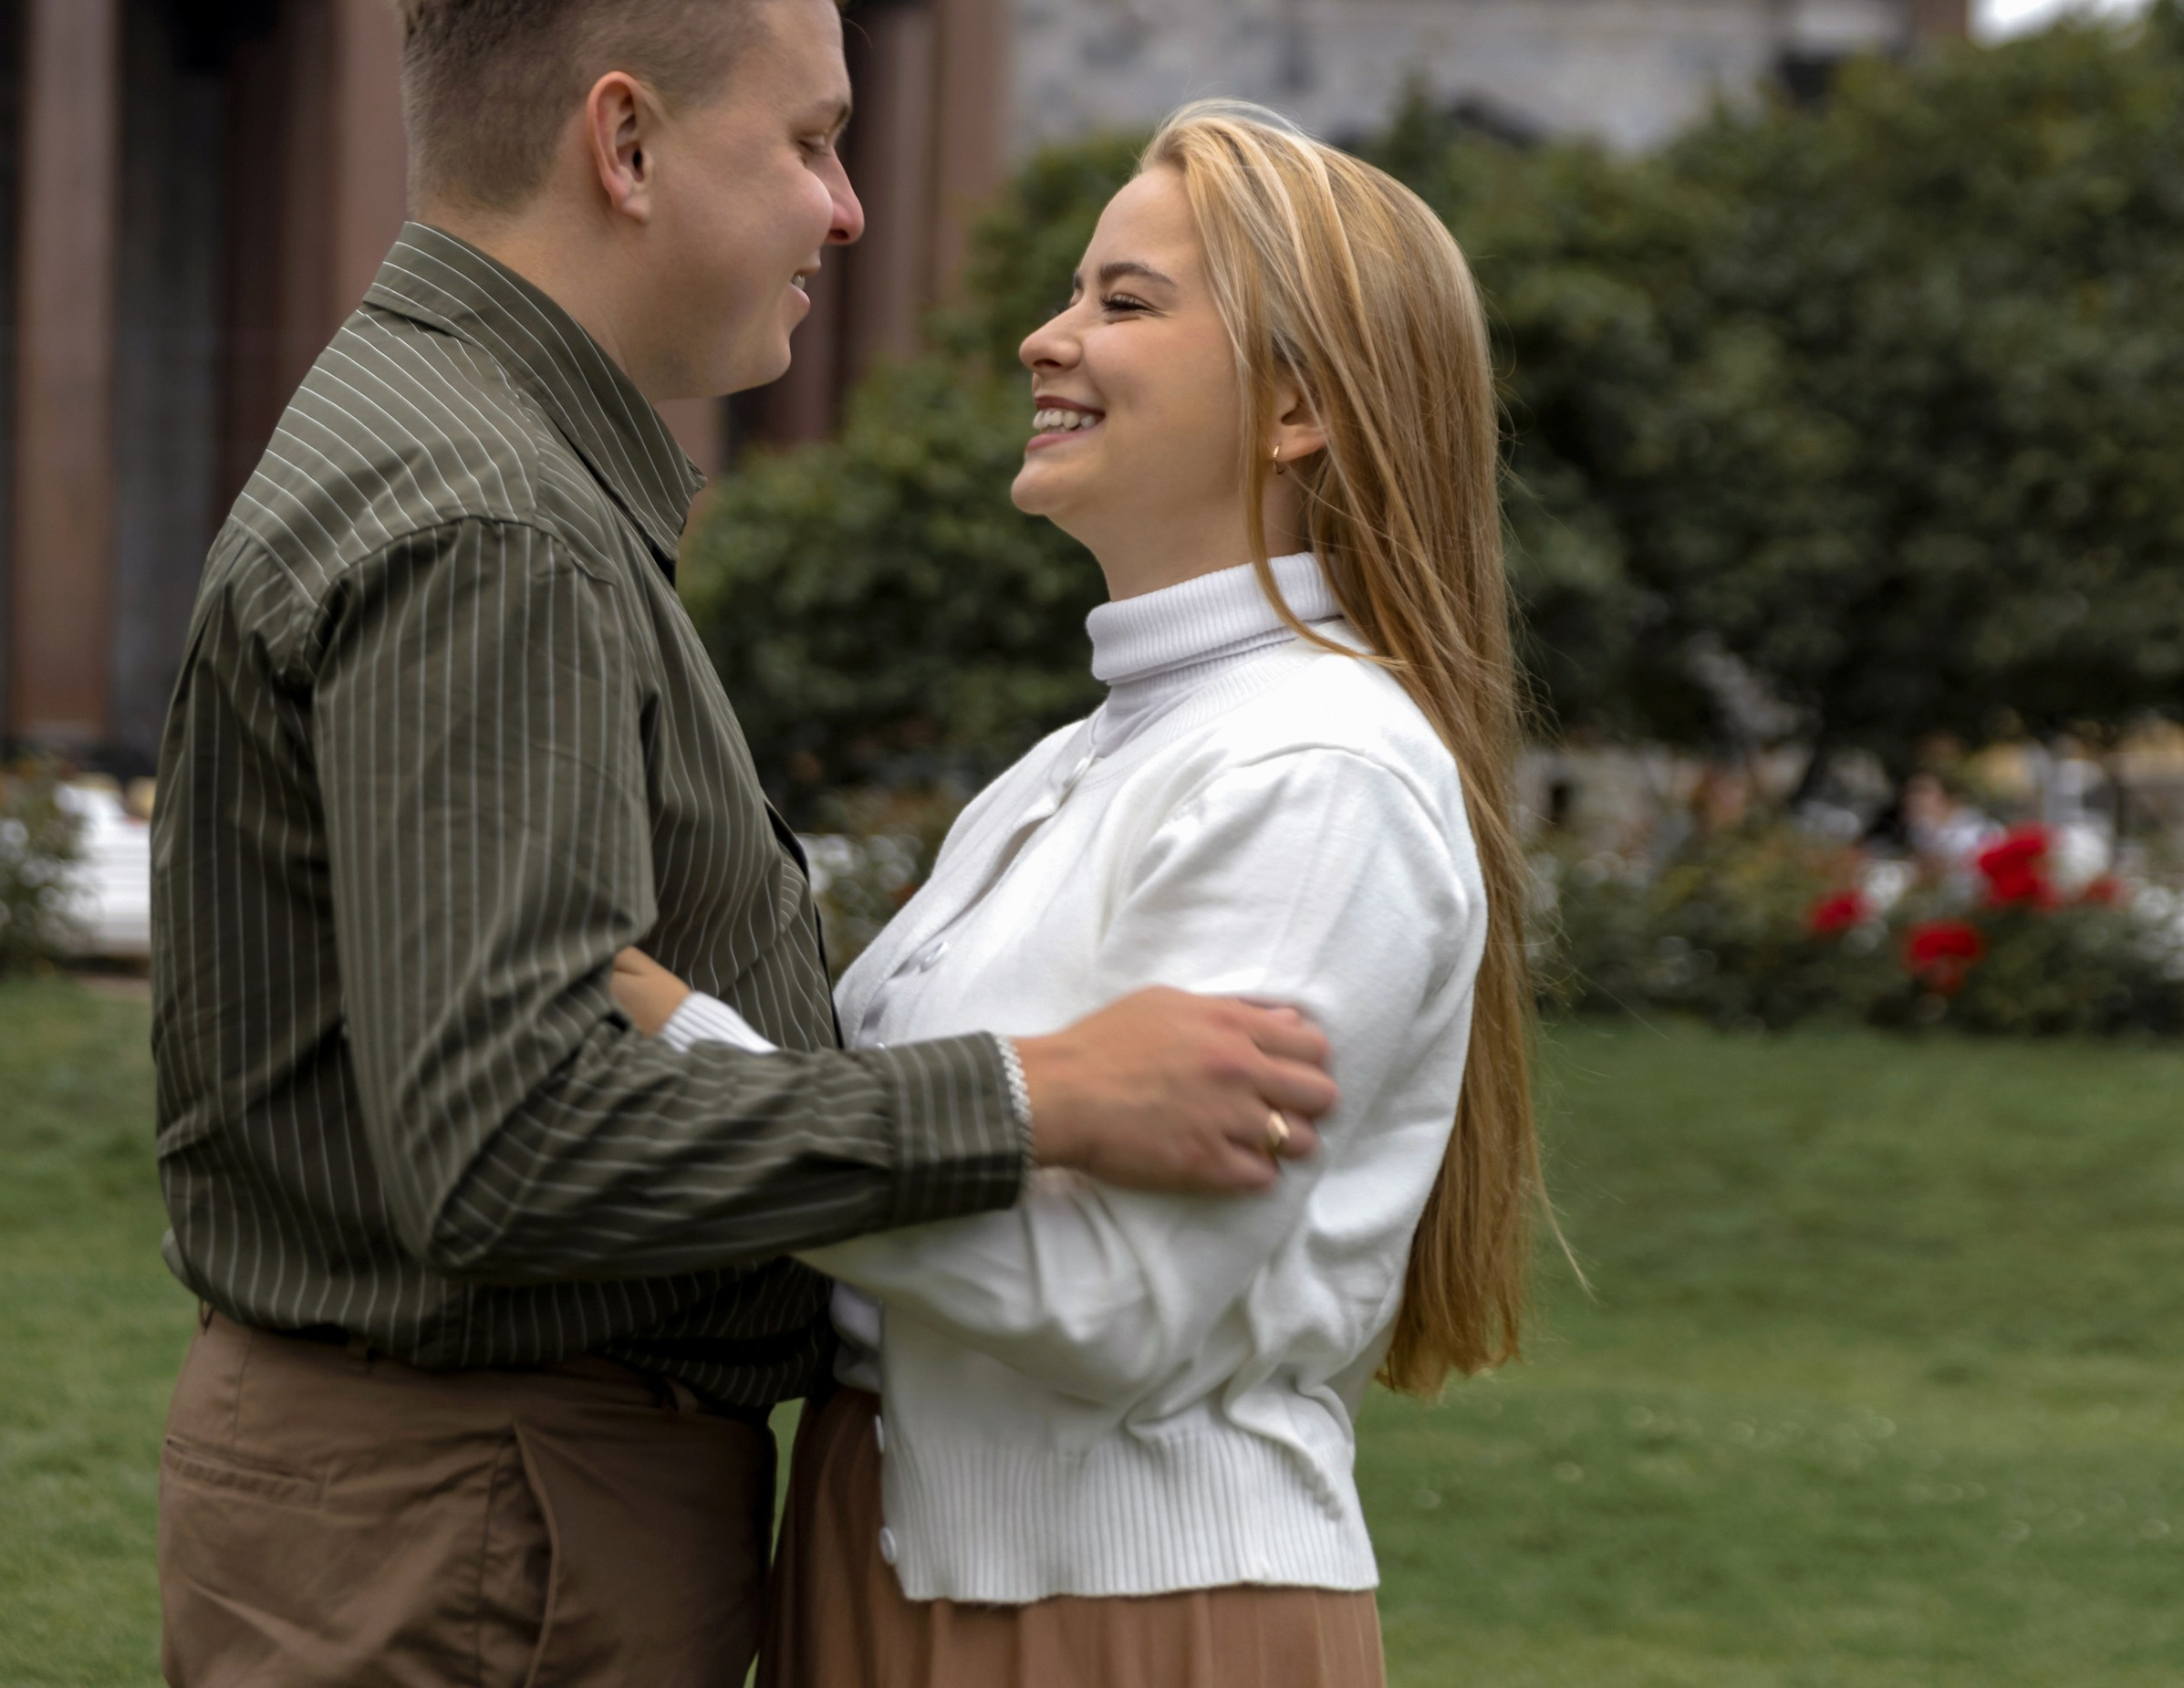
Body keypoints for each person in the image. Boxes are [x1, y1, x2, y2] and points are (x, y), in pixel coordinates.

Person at [151, 0, 1336, 1688]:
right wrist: (1026, 1100)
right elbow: (510, 1143)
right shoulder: (493, 518)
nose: (850, 211)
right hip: (491, 1528)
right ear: (623, 149)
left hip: (455, 1506)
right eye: (806, 142)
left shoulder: (469, 452)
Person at [618, 99, 1542, 1687]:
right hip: (904, 1564)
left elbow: (1110, 1301)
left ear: (1298, 408)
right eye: (1072, 292)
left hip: (1116, 1619)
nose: (1047, 340)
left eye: (1125, 302)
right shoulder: (1095, 756)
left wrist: (674, 1041)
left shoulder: (1317, 776)